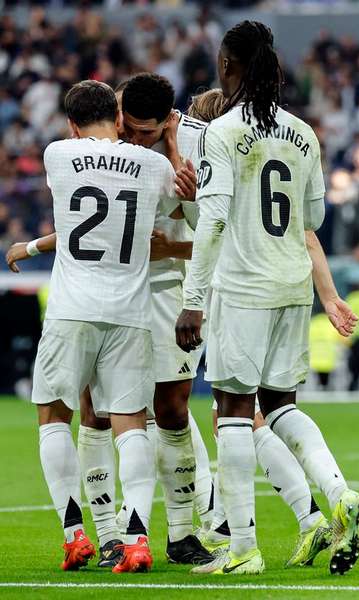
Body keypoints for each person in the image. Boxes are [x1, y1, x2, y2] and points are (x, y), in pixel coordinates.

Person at [175, 21, 359, 576]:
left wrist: (194, 300)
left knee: (233, 410)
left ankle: (243, 549)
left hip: (242, 286)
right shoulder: (305, 134)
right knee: (281, 405)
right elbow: (314, 219)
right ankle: (340, 493)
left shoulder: (223, 131)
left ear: (229, 66)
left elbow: (211, 221)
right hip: (291, 284)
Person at [8, 73, 215, 567]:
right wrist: (170, 151)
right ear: (119, 117)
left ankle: (76, 533)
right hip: (130, 313)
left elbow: (79, 218)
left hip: (71, 311)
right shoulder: (151, 165)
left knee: (56, 416)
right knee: (131, 427)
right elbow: (181, 202)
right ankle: (139, 538)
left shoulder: (57, 155)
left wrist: (34, 244)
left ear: (71, 124)